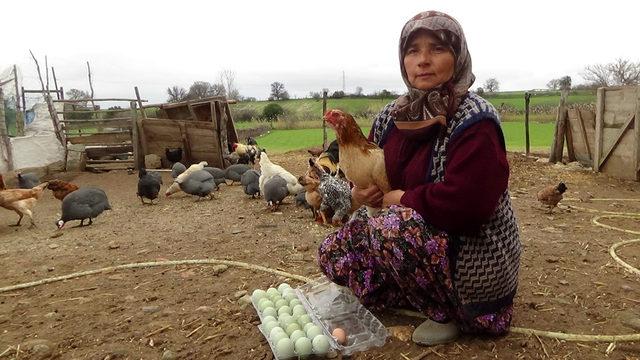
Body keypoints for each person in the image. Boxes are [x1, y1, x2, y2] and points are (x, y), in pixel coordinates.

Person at [317, 10, 521, 345]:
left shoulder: (475, 120)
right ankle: (410, 288)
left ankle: (448, 311)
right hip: (412, 240)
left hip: (473, 253)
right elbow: (371, 173)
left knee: (392, 227)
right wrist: (361, 195)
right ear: (403, 60)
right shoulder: (391, 116)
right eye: (413, 51)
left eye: (437, 49)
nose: (423, 60)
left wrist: (404, 199)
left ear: (458, 56)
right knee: (334, 249)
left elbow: (469, 206)